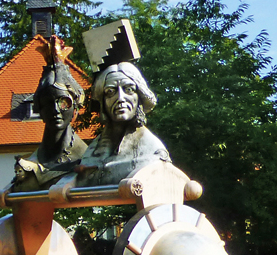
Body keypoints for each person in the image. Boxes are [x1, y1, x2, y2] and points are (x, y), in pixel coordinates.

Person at [75, 62, 170, 186]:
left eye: (129, 89)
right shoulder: (91, 153)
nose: (120, 98)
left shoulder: (153, 152)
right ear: (103, 102)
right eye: (110, 92)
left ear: (139, 96)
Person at [13, 41, 88, 191]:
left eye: (63, 102)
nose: (55, 110)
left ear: (75, 107)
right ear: (39, 108)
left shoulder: (85, 158)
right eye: (47, 103)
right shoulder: (29, 163)